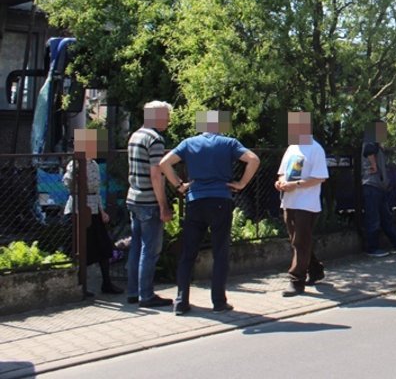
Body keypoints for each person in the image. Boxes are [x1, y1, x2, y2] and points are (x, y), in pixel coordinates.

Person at [159, 111, 259, 315]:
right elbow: (253, 159)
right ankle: (219, 302)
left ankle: (181, 302)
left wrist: (179, 185)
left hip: (195, 201)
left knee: (188, 253)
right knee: (220, 252)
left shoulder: (189, 143)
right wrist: (241, 184)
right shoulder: (228, 143)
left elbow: (164, 164)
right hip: (221, 200)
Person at [126, 100, 178, 308]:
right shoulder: (155, 139)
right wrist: (163, 205)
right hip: (149, 200)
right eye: (166, 115)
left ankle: (133, 292)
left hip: (134, 197)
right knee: (150, 250)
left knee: (136, 247)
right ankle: (146, 295)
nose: (168, 119)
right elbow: (156, 174)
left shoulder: (135, 135)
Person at [64, 128, 122, 297]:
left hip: (94, 209)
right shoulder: (74, 163)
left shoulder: (94, 164)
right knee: (81, 248)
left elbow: (96, 191)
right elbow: (68, 184)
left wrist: (102, 211)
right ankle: (81, 285)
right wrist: (74, 171)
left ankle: (107, 283)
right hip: (78, 210)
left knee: (103, 246)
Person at [277, 111, 329, 297]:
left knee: (300, 241)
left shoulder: (316, 149)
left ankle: (296, 281)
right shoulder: (292, 148)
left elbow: (320, 177)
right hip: (289, 201)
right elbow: (283, 172)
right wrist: (281, 182)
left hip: (307, 203)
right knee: (299, 241)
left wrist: (295, 185)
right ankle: (315, 269)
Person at [361, 120, 396, 257]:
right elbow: (369, 152)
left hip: (378, 186)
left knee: (384, 217)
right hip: (372, 184)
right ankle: (373, 248)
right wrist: (374, 166)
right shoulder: (370, 142)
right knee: (375, 219)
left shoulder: (375, 144)